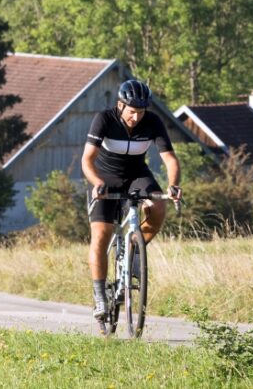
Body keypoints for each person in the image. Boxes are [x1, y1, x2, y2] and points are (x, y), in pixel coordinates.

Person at [82, 78, 182, 322]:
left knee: (158, 207)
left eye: (141, 112)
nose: (136, 117)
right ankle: (99, 296)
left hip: (137, 175)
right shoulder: (104, 119)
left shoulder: (153, 122)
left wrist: (174, 185)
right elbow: (87, 160)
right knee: (100, 236)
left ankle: (134, 249)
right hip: (105, 178)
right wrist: (97, 184)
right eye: (132, 112)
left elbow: (170, 159)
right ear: (120, 106)